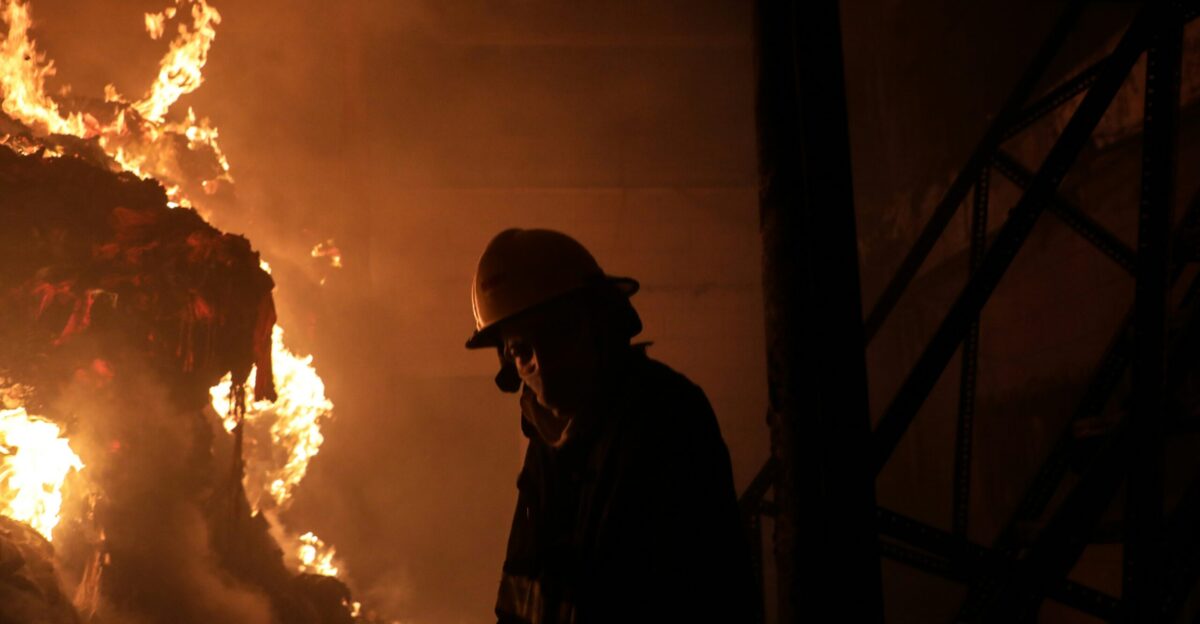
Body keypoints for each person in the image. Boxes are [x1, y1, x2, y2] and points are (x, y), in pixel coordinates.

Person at [466, 228, 755, 624]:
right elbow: (520, 598)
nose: (542, 363)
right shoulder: (547, 443)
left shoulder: (664, 417)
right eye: (521, 351)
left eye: (557, 334)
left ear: (600, 324)